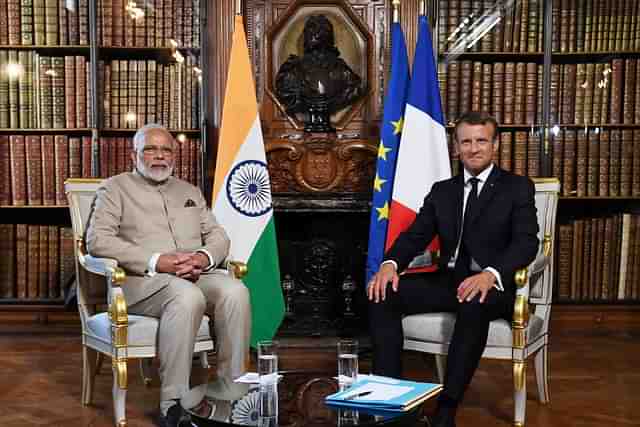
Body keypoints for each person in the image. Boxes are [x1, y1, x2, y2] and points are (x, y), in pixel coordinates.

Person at [367, 112, 539, 427]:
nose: (474, 149)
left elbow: (527, 244)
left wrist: (490, 274)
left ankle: (446, 409)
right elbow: (416, 235)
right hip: (447, 281)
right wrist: (390, 265)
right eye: (466, 142)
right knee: (382, 294)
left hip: (492, 287)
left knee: (474, 303)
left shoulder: (517, 188)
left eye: (481, 141)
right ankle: (392, 404)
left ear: (495, 145)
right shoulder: (442, 190)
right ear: (456, 147)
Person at [86, 124, 251, 427]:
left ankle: (233, 391)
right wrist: (157, 261)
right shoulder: (114, 189)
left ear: (174, 155)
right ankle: (172, 404)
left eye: (166, 150)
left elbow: (218, 237)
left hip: (194, 272)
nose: (159, 156)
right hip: (143, 282)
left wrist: (203, 257)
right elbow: (98, 241)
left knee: (235, 291)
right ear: (134, 153)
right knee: (186, 296)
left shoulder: (189, 191)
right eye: (151, 149)